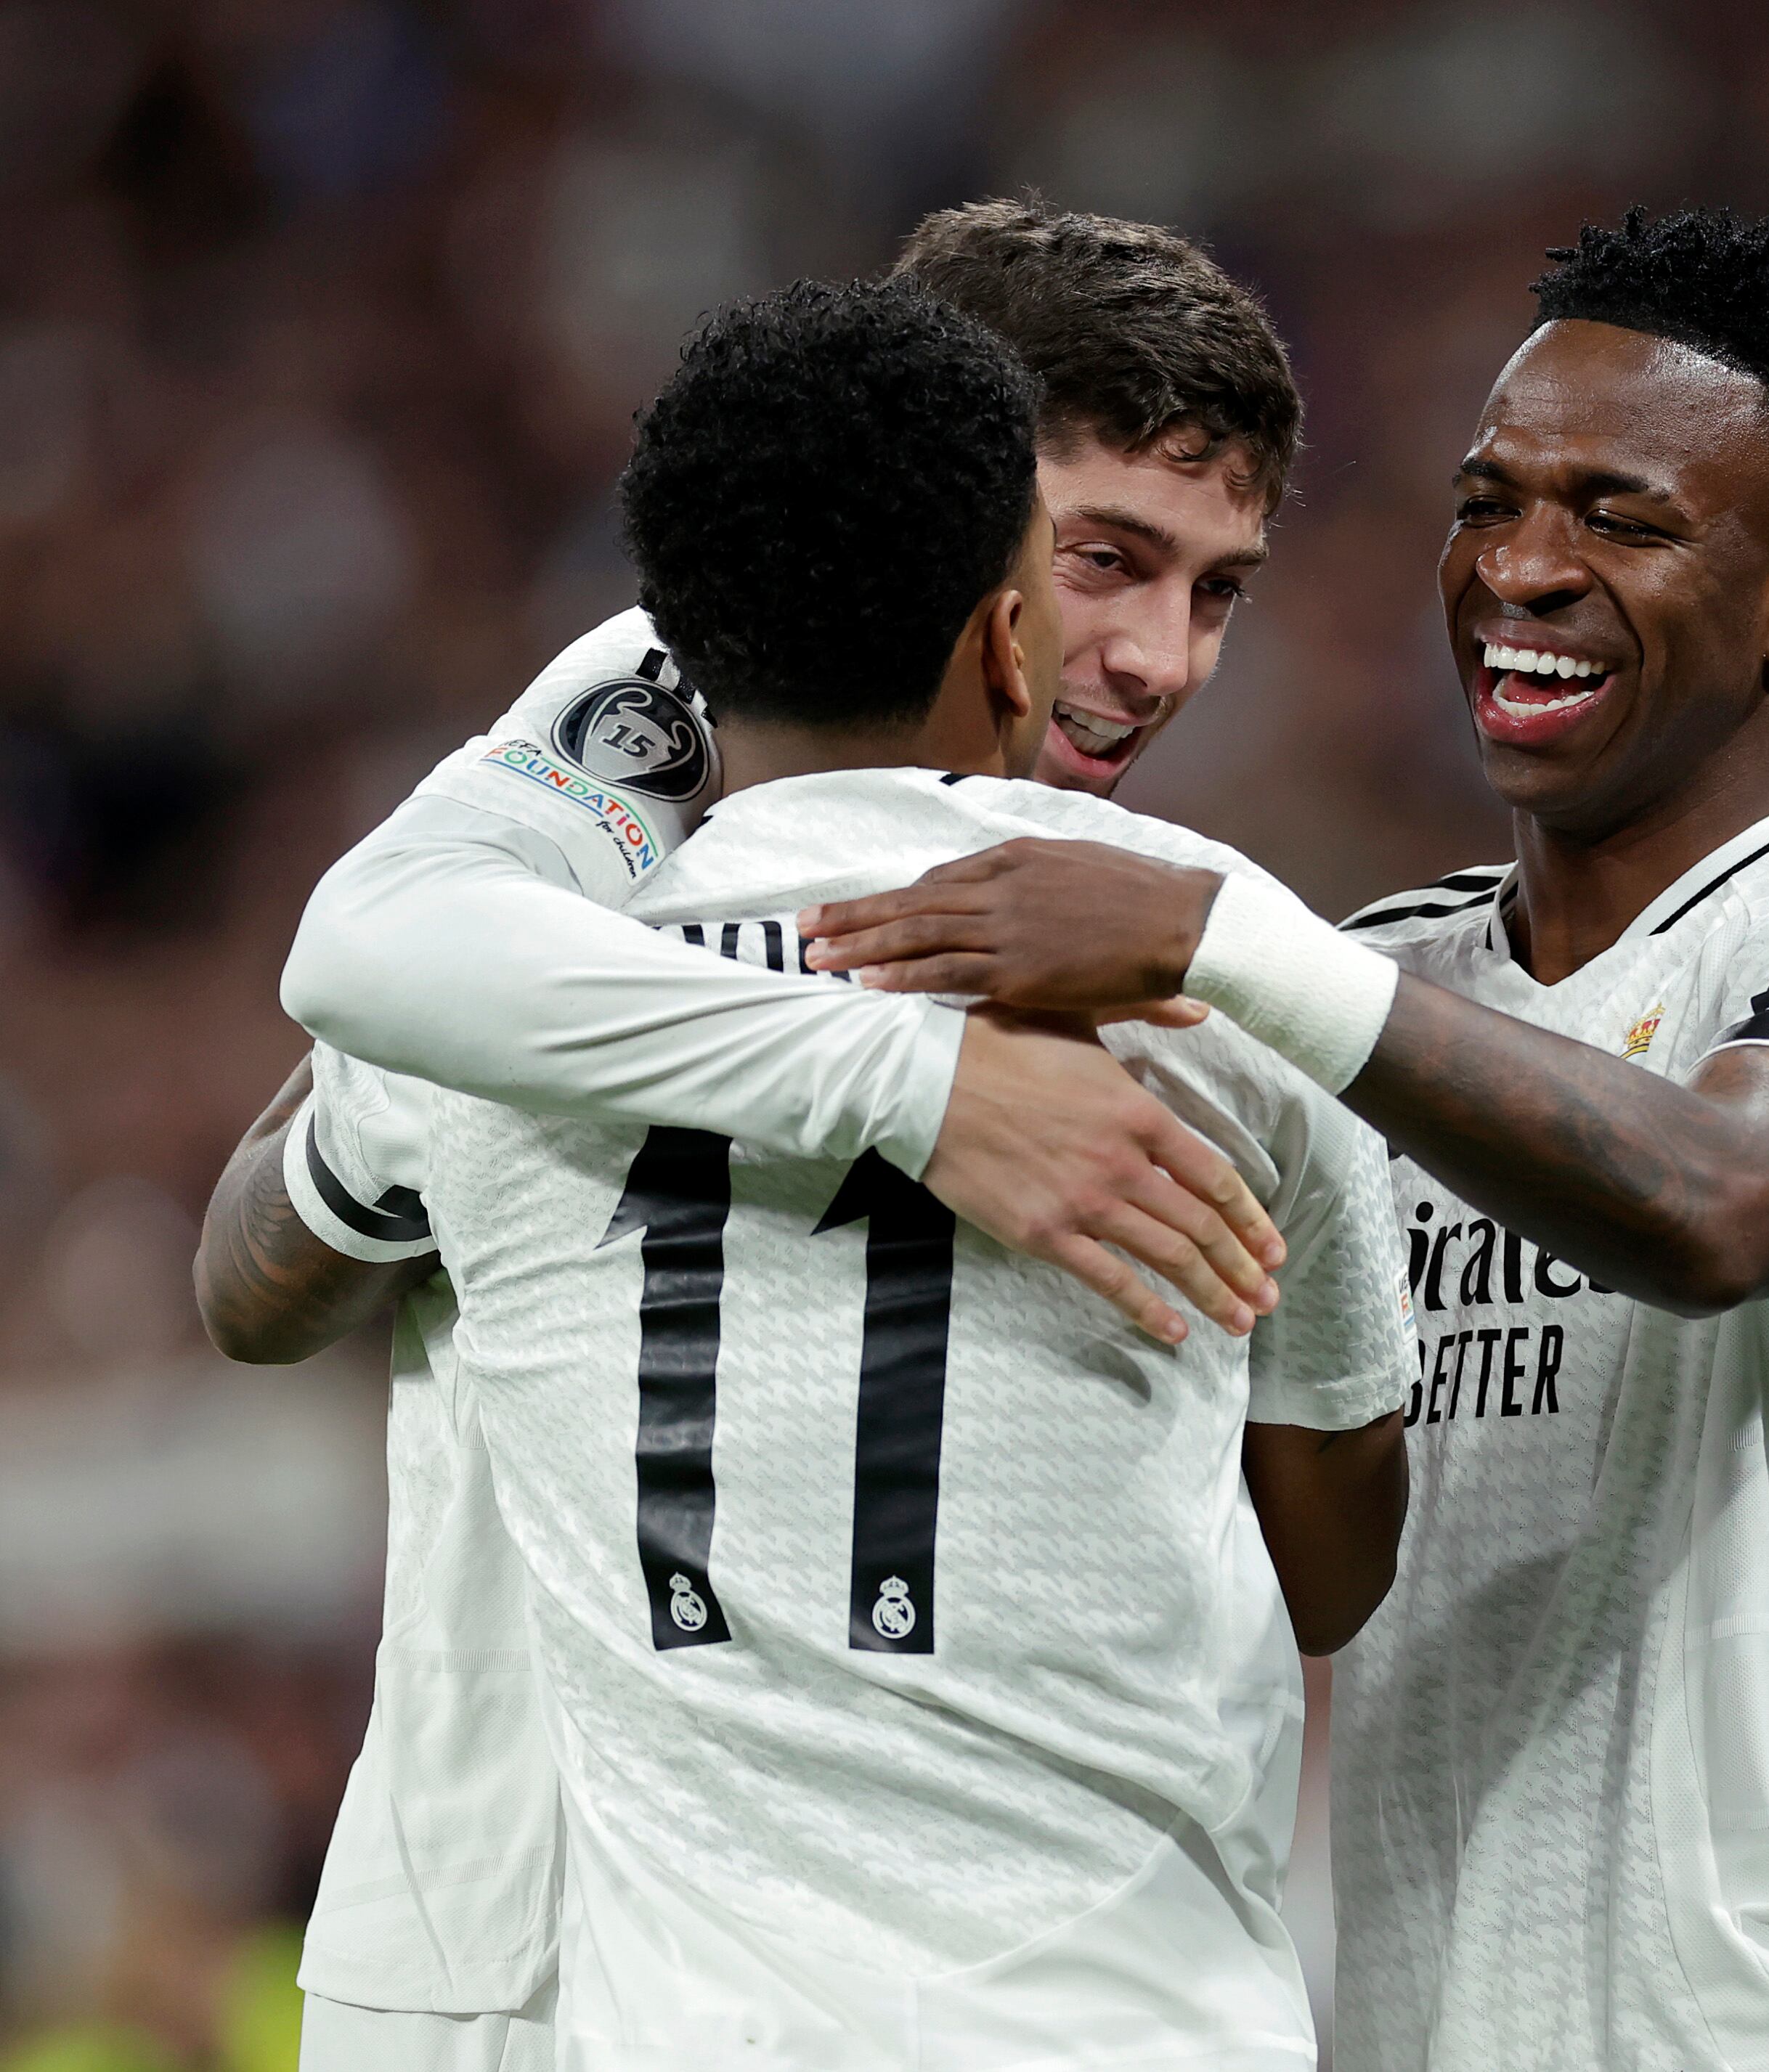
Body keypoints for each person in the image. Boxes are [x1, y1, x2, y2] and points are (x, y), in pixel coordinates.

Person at [798, 208, 1769, 2071]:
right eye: (1488, 503)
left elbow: (1721, 1202)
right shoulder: (1365, 983)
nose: (1522, 568)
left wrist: (1227, 945)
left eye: (1619, 519)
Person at [192, 200, 1330, 2071]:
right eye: (1106, 561)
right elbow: (293, 1158)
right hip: (519, 1924)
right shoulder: (640, 741)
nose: (1150, 660)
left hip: (969, 1952)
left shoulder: (1165, 934)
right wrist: (902, 1074)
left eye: (1217, 591)